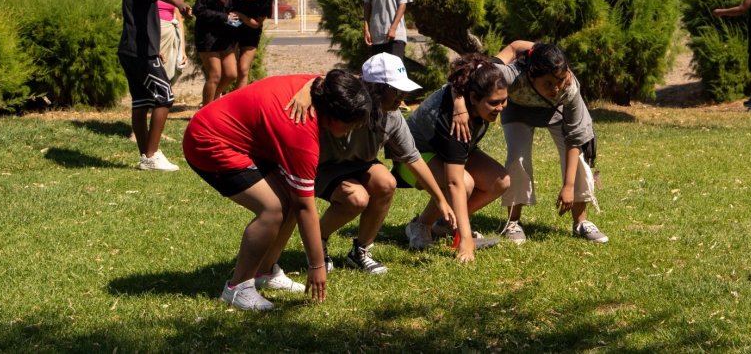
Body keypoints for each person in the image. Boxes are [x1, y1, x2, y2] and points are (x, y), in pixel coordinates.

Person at [182, 70, 372, 311]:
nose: (356, 127)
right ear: (334, 117)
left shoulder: (325, 86)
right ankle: (237, 288)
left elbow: (340, 77)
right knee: (272, 209)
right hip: (209, 140)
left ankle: (264, 270)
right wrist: (316, 265)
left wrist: (309, 85)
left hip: (241, 137)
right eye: (352, 123)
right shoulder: (301, 131)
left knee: (289, 199)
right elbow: (305, 206)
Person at [286, 53, 457, 274]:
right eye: (396, 90)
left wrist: (440, 200)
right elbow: (325, 81)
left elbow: (412, 157)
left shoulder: (392, 115)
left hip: (359, 164)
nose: (402, 96)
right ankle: (317, 244)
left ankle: (361, 251)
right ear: (375, 88)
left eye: (404, 90)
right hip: (324, 167)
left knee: (386, 182)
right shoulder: (343, 102)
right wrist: (305, 91)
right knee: (356, 198)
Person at [453, 41, 607, 244]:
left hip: (556, 112)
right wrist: (458, 105)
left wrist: (568, 186)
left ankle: (581, 222)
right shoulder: (511, 74)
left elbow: (574, 138)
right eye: (549, 83)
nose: (556, 87)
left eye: (560, 80)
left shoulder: (569, 88)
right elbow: (465, 75)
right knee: (518, 158)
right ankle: (513, 222)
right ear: (531, 76)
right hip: (518, 111)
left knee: (578, 160)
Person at [396, 53, 510, 263]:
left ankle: (445, 224)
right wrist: (466, 241)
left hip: (448, 149)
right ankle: (421, 226)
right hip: (413, 158)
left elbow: (512, 48)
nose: (501, 107)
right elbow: (455, 182)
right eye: (494, 103)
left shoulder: (488, 77)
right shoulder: (453, 121)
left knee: (500, 181)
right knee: (464, 183)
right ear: (474, 98)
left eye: (504, 100)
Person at [118, 0, 192, 171]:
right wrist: (179, 1)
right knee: (165, 97)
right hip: (140, 53)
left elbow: (142, 21)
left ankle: (145, 157)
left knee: (141, 102)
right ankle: (152, 154)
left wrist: (153, 45)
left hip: (135, 50)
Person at [194, 0, 239, 106]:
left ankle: (211, 102)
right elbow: (198, 10)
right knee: (215, 75)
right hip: (208, 37)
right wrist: (224, 17)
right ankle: (205, 112)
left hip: (225, 36)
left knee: (232, 74)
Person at [230, 0, 273, 89]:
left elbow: (256, 24)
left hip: (251, 31)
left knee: (243, 69)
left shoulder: (266, 0)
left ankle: (238, 101)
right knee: (229, 70)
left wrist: (241, 15)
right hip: (231, 29)